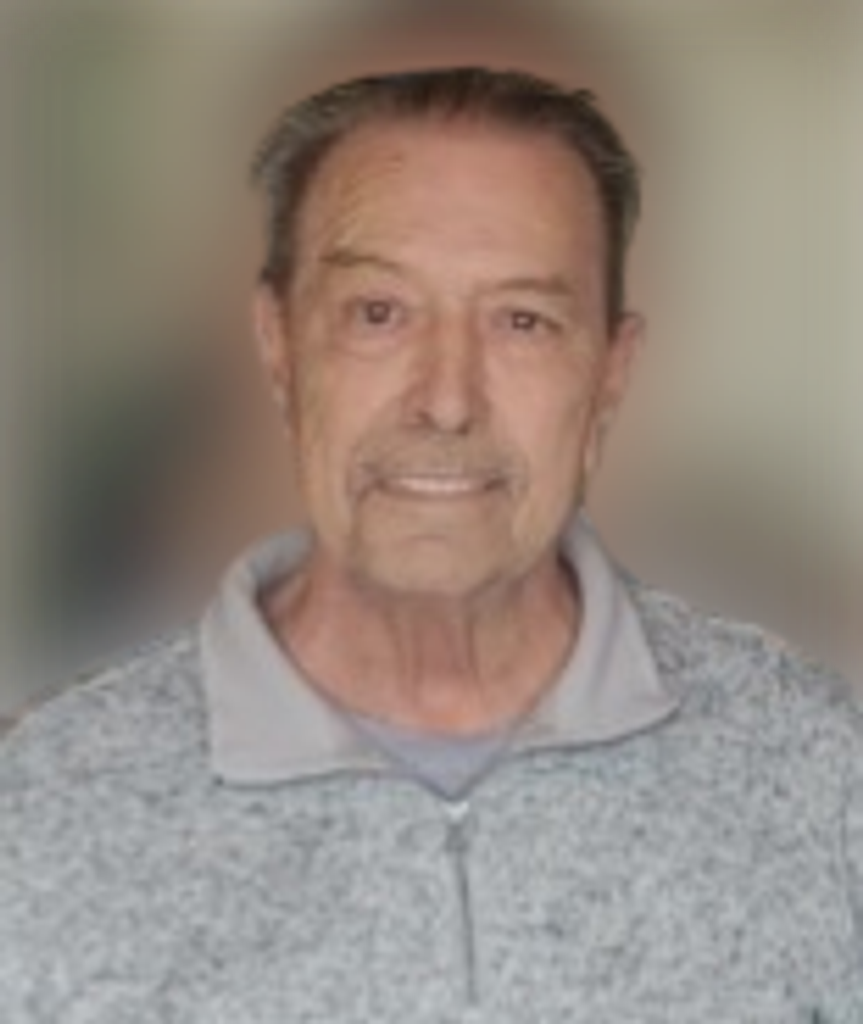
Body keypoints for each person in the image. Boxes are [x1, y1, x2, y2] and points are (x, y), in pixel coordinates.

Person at [2, 64, 863, 1023]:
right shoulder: (41, 803)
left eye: (522, 322)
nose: (447, 400)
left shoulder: (825, 772)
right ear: (277, 346)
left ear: (611, 374)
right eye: (378, 314)